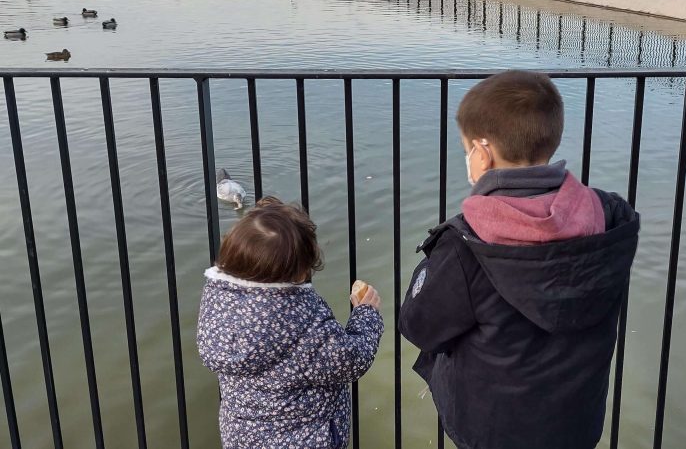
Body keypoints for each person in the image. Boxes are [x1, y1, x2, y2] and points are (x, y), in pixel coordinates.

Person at [399, 71, 639, 449]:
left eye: (467, 150)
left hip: (493, 431)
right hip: (576, 424)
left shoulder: (467, 244)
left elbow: (419, 326)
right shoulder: (610, 216)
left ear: (482, 153)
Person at [197, 197, 384, 449]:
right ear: (299, 270)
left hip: (242, 438)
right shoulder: (303, 322)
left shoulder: (219, 300)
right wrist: (366, 315)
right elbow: (351, 360)